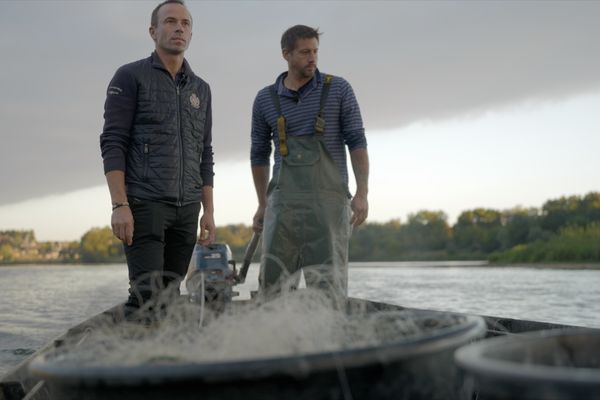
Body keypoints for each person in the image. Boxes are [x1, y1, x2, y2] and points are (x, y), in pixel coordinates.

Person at [100, 0, 215, 316]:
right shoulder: (129, 76)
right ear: (153, 31)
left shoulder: (201, 89)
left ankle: (166, 358)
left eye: (186, 23)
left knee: (169, 295)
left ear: (191, 33)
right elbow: (113, 143)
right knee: (147, 296)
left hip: (188, 208)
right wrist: (119, 205)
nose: (179, 28)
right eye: (170, 21)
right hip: (145, 204)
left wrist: (209, 211)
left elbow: (205, 152)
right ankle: (133, 360)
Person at [251, 25, 369, 299]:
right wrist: (262, 203)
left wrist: (362, 193)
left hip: (329, 207)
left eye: (315, 51)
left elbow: (357, 141)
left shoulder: (339, 89)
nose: (313, 58)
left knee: (329, 290)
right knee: (274, 290)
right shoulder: (265, 99)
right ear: (286, 54)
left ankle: (330, 338)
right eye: (305, 52)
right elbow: (258, 154)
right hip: (282, 209)